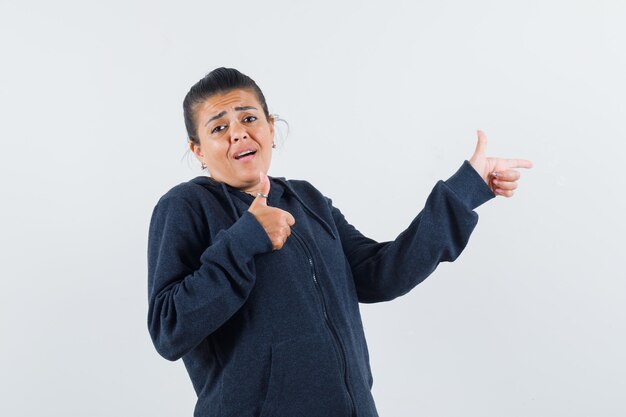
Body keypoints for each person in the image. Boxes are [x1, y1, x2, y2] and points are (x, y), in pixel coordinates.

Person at [146, 67, 533, 417]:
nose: (238, 132)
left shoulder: (308, 201)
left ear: (270, 127)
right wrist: (244, 240)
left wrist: (464, 192)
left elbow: (381, 274)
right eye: (218, 128)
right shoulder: (185, 206)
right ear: (198, 149)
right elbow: (169, 329)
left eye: (249, 118)